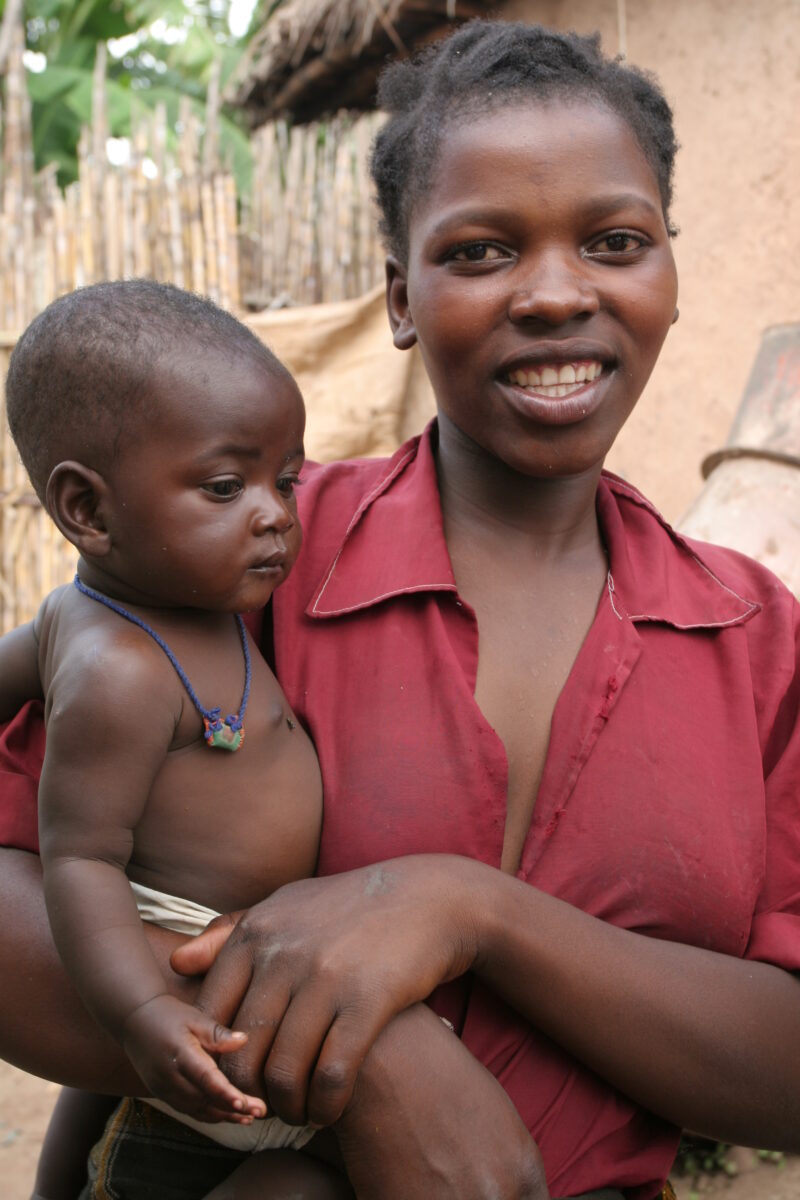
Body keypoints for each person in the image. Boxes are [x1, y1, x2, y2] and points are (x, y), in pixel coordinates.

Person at [1, 19, 799, 1200]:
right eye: (478, 252)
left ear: (667, 275)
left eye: (614, 241)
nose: (551, 293)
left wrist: (470, 912)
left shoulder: (756, 641)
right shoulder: (245, 559)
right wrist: (369, 1062)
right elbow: (35, 874)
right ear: (400, 298)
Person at [0, 281, 354, 1199]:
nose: (275, 513)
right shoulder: (119, 671)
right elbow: (81, 863)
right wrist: (145, 1009)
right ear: (88, 511)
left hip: (237, 933)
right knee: (311, 1174)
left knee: (116, 1109)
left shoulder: (171, 596)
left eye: (288, 478)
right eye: (228, 486)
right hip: (181, 952)